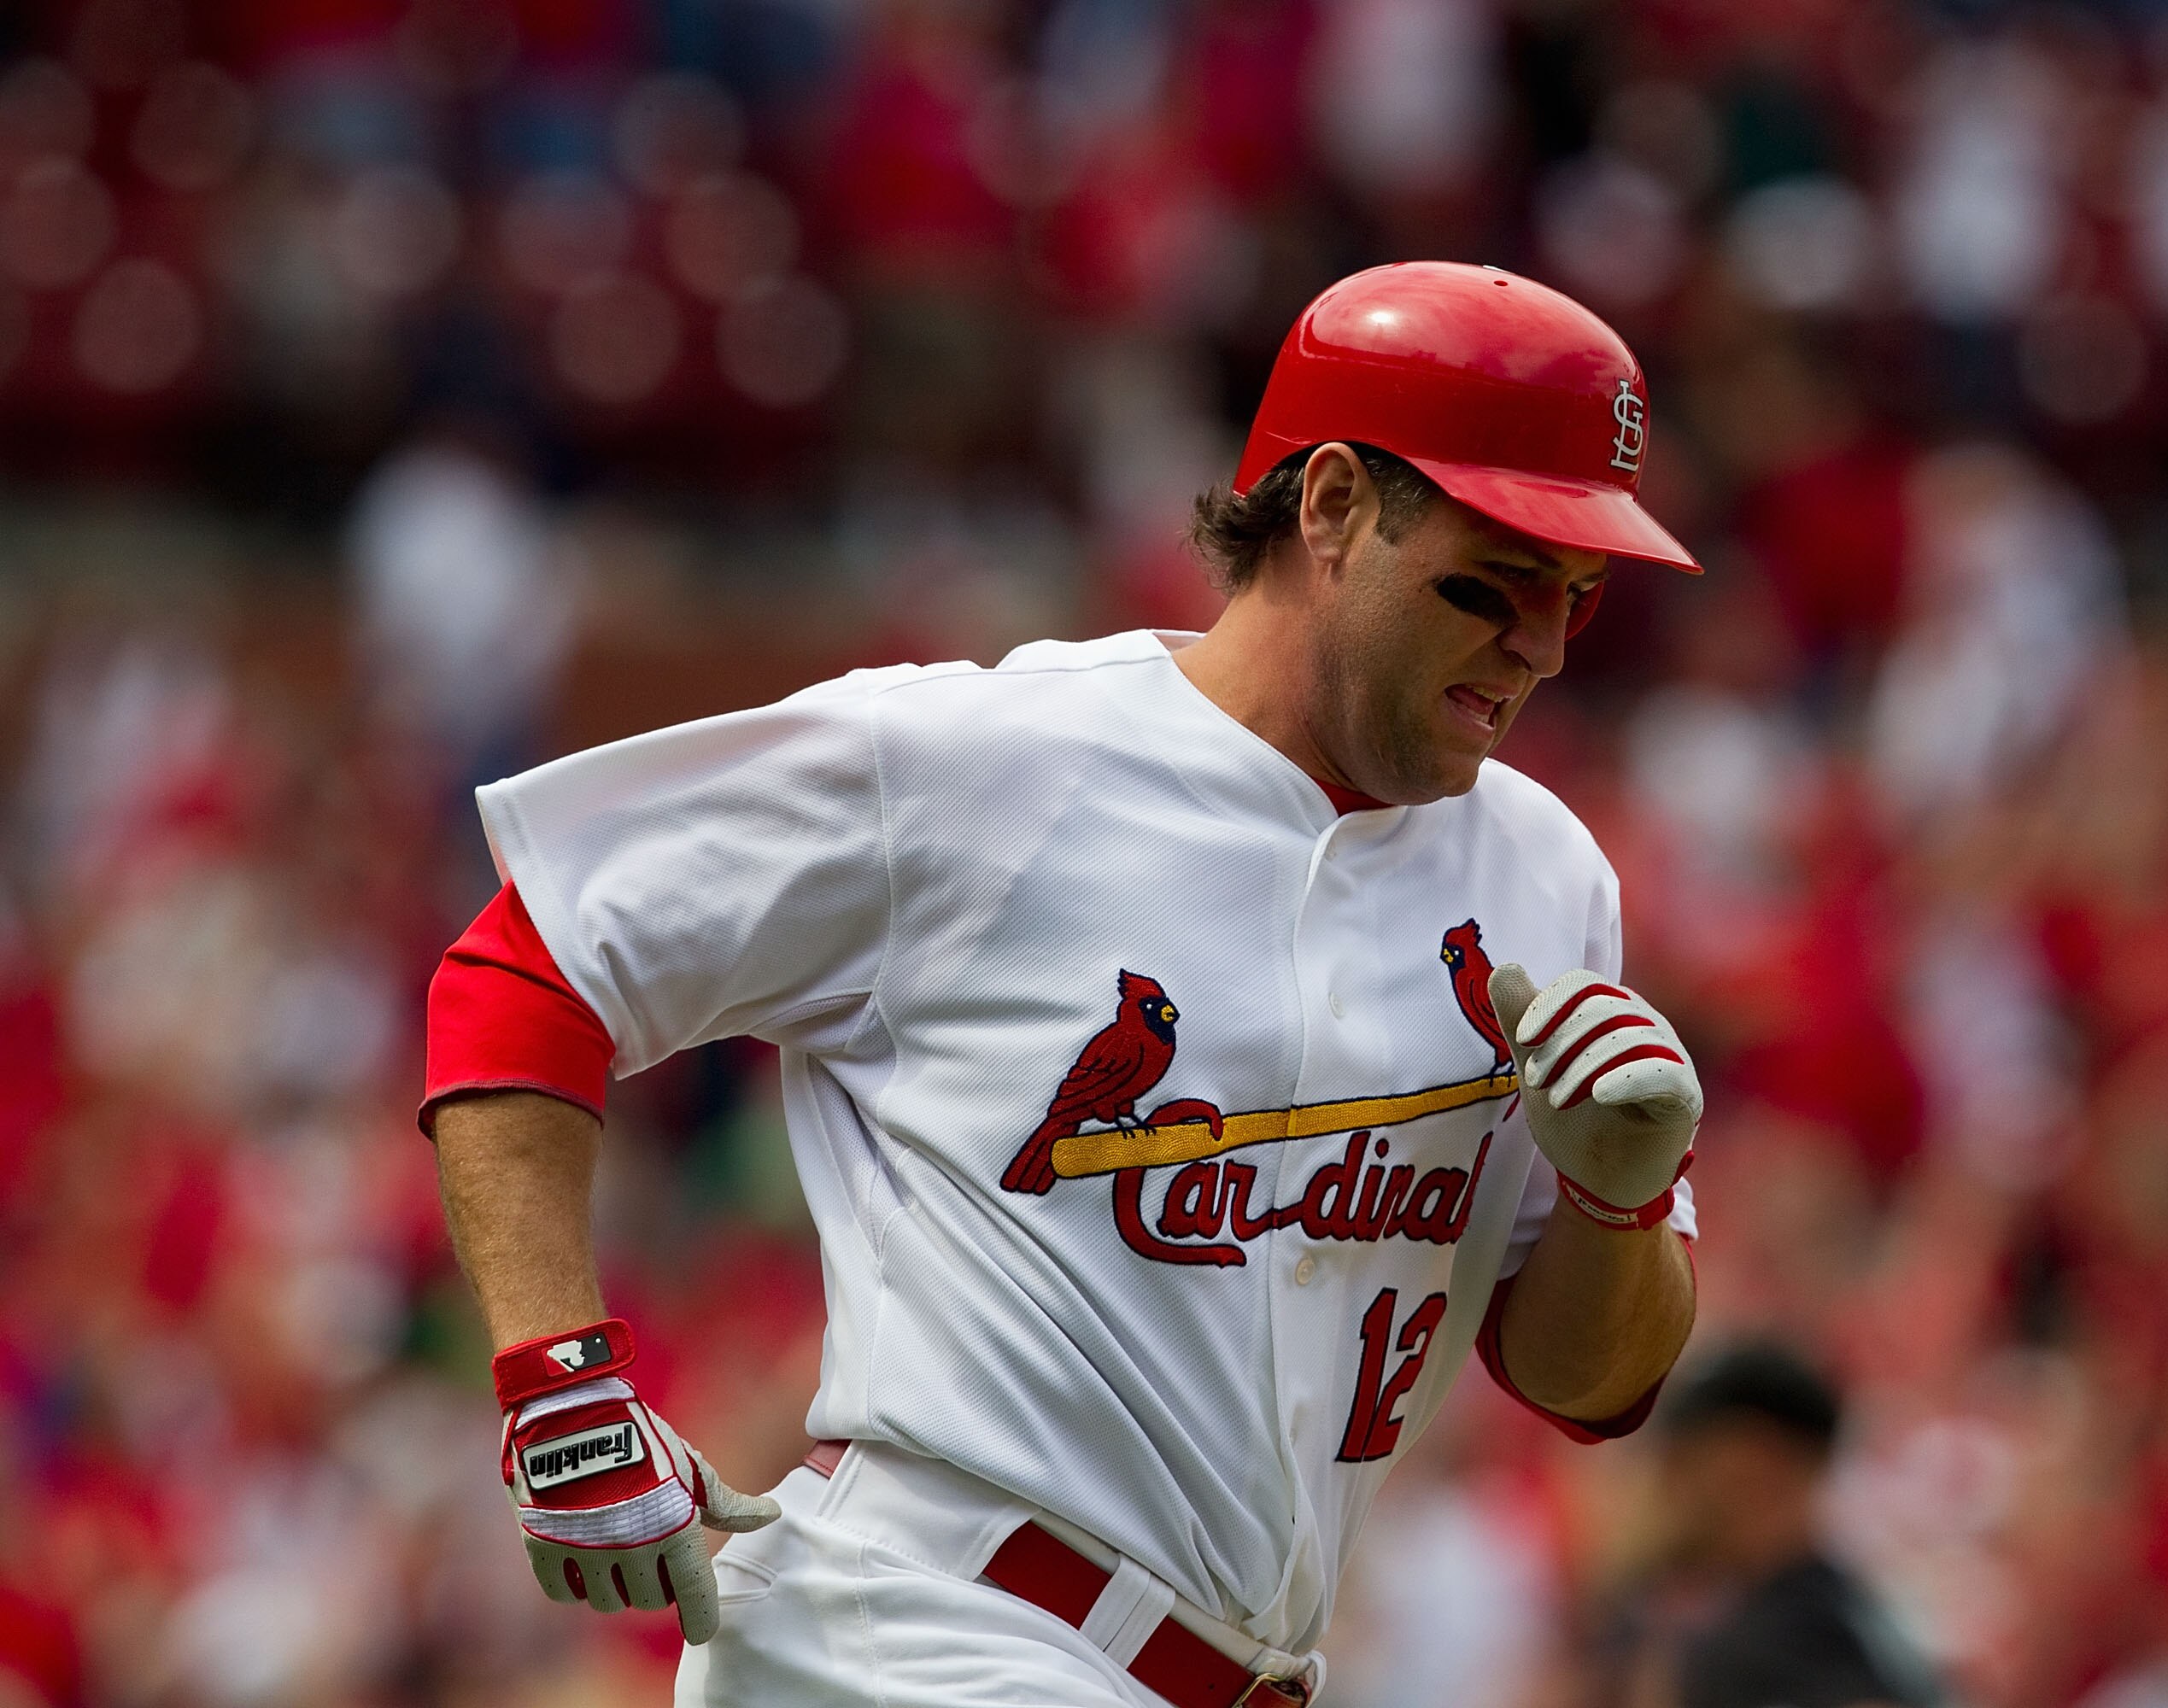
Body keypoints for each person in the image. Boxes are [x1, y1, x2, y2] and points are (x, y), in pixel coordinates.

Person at [419, 260, 1709, 1708]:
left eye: (1579, 599)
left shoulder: (1547, 875)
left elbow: (1589, 1384)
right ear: (1334, 506)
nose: (1539, 645)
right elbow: (532, 960)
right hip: (927, 1631)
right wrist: (558, 1379)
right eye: (1502, 579)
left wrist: (1620, 1197)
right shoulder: (982, 759)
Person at [1597, 1342, 1939, 1708]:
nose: (1669, 1487)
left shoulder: (1794, 1634)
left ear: (1760, 1465)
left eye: (1685, 1461)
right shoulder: (1838, 1612)